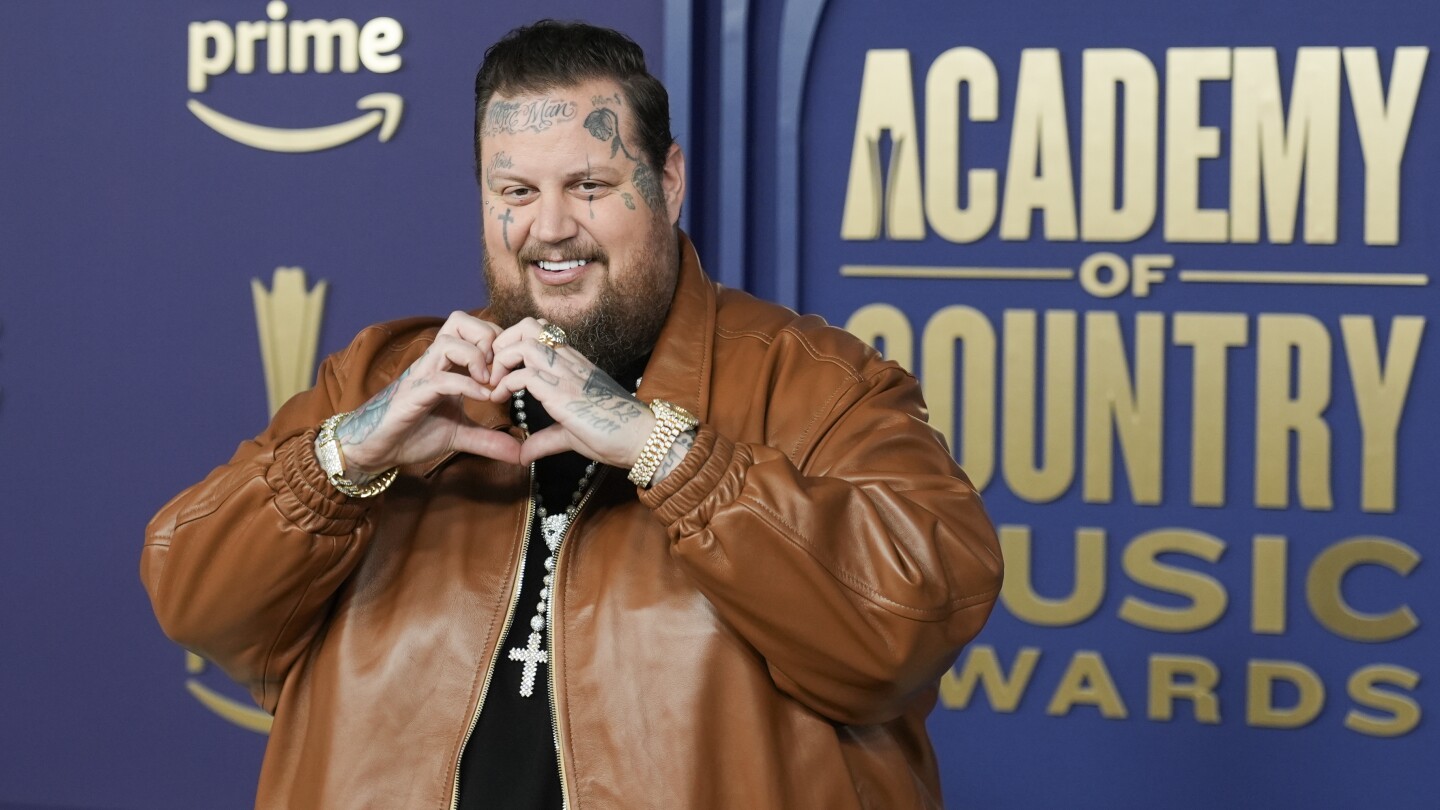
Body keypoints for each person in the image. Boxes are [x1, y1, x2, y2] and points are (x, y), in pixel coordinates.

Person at [143, 19, 1002, 810]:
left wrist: (666, 451)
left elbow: (906, 629)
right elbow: (196, 602)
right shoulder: (383, 375)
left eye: (588, 184)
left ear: (666, 182)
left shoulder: (819, 386)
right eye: (513, 189)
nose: (548, 228)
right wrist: (352, 456)